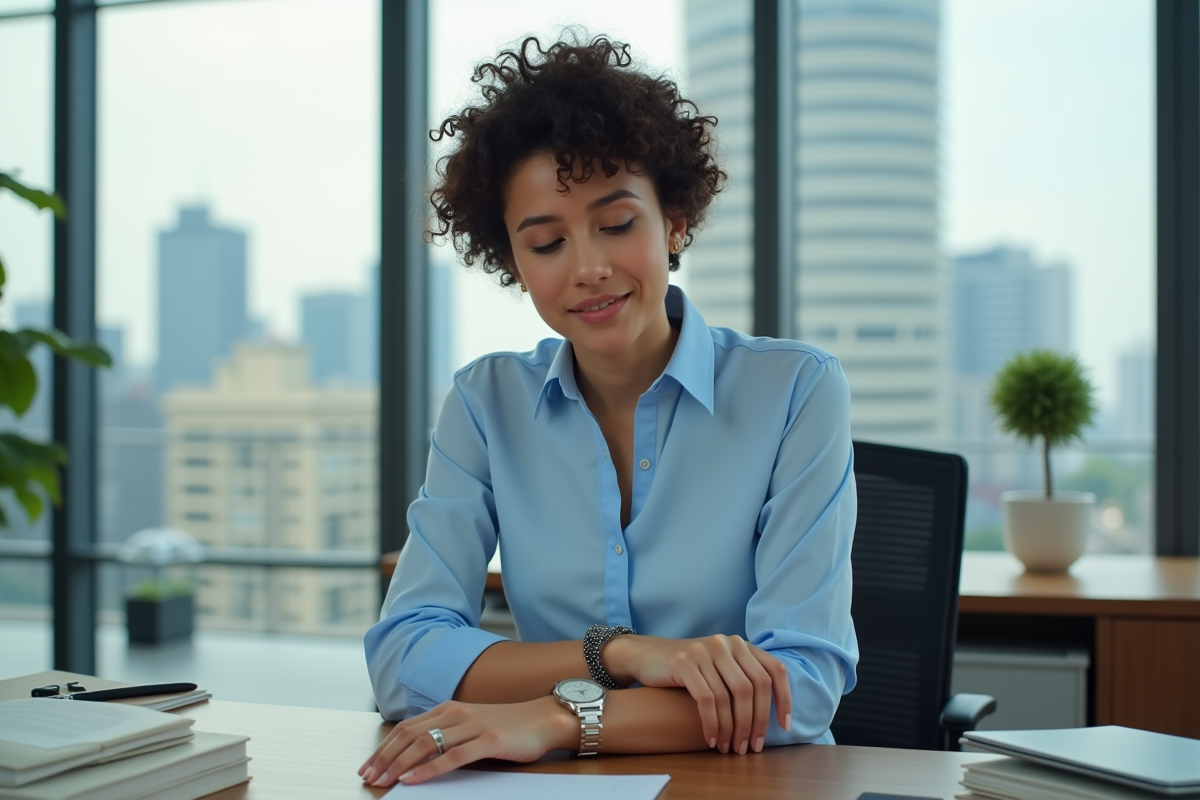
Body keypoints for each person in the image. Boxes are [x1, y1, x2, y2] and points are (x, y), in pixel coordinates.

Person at [360, 34, 858, 789]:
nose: (588, 268)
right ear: (514, 262)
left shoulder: (795, 390)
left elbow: (801, 686)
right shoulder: (486, 403)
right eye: (546, 242)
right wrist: (621, 655)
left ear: (675, 222)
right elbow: (404, 657)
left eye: (617, 224)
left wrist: (557, 717)